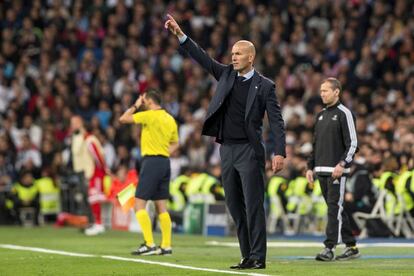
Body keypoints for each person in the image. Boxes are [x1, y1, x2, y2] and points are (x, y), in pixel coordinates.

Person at [165, 14, 286, 269]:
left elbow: (276, 121)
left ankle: (258, 258)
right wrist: (180, 35)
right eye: (232, 53)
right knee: (233, 204)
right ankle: (246, 255)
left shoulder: (265, 86)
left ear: (250, 57)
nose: (233, 57)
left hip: (250, 151)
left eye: (238, 54)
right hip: (227, 150)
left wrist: (279, 152)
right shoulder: (227, 75)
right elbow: (203, 59)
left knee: (253, 206)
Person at [306, 78, 360, 261]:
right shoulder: (320, 115)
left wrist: (342, 164)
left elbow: (353, 143)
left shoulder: (345, 113)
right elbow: (315, 144)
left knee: (333, 209)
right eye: (321, 91)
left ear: (337, 92)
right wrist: (309, 167)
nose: (322, 94)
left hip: (337, 171)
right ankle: (351, 245)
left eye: (326, 91)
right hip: (320, 169)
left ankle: (329, 248)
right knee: (336, 208)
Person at [119, 90, 179, 256]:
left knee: (138, 204)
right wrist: (164, 151)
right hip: (165, 162)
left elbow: (123, 118)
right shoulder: (170, 118)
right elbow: (175, 143)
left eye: (144, 101)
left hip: (151, 162)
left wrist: (136, 105)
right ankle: (166, 246)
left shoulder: (150, 115)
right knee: (161, 206)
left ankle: (149, 243)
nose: (142, 103)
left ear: (149, 101)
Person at [70, 115, 108, 236]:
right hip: (87, 171)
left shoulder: (89, 139)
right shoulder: (82, 138)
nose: (74, 126)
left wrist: (103, 170)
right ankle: (95, 223)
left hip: (93, 172)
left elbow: (97, 157)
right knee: (90, 198)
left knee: (93, 198)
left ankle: (97, 223)